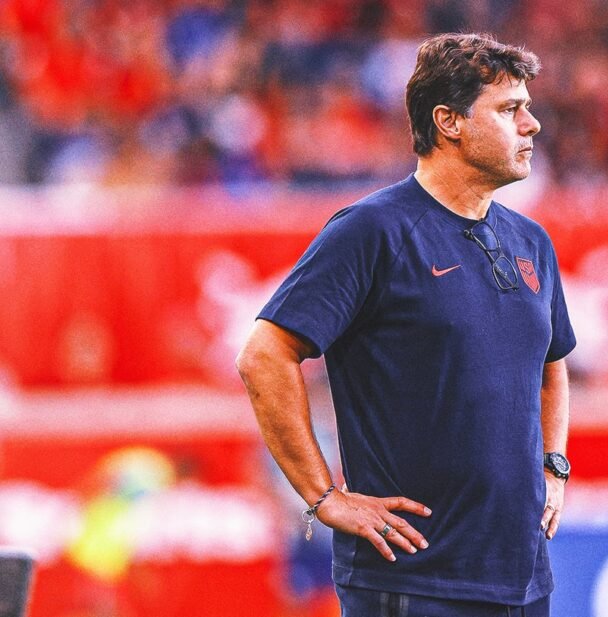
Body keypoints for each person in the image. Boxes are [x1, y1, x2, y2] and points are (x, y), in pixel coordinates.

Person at [235, 33, 576, 617]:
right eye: (509, 109)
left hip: (521, 577)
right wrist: (323, 497)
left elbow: (551, 364)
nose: (532, 124)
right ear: (449, 121)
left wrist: (554, 464)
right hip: (413, 579)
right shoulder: (372, 230)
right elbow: (264, 355)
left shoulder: (531, 241)